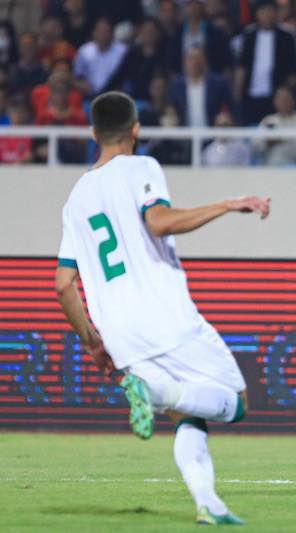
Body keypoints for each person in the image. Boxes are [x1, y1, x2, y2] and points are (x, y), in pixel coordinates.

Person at [54, 91, 270, 525]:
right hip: (164, 315)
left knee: (189, 413)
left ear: (94, 133)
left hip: (118, 332)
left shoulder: (75, 199)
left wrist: (92, 342)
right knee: (237, 401)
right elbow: (159, 221)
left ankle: (209, 504)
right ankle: (155, 393)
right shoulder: (142, 167)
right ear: (135, 130)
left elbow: (63, 285)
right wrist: (229, 204)